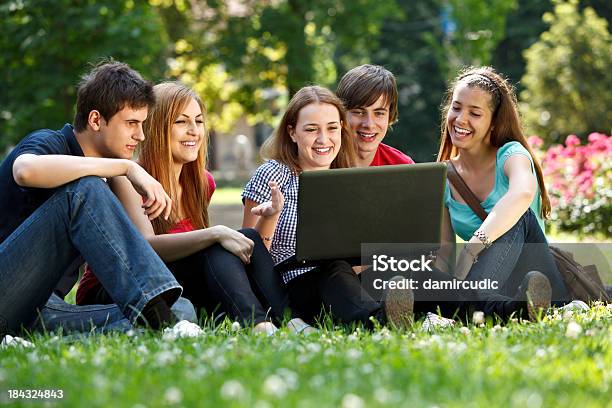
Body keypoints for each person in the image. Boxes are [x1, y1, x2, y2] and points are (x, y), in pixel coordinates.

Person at [76, 81, 293, 334]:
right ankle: (257, 324)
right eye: (181, 122)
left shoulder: (202, 182)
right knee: (216, 242)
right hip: (121, 291)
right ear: (157, 127)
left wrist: (224, 234)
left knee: (246, 237)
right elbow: (145, 247)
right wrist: (215, 234)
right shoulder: (127, 178)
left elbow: (200, 255)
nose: (194, 131)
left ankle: (289, 320)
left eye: (199, 121)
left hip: (175, 287)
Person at [0, 60, 196, 339]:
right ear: (95, 120)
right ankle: (161, 322)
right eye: (131, 123)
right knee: (84, 190)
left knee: (180, 310)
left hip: (38, 309)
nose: (140, 136)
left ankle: (27, 340)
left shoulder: (104, 173)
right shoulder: (50, 142)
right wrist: (127, 168)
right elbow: (25, 170)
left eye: (142, 124)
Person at [242, 85, 414, 328]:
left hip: (343, 283)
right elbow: (250, 257)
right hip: (289, 290)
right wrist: (271, 216)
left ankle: (479, 308)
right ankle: (378, 322)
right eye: (312, 130)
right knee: (332, 266)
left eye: (332, 128)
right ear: (292, 132)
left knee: (397, 270)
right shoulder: (273, 175)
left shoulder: (346, 178)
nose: (324, 139)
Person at [435, 66, 569, 304]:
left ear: (494, 122)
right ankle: (470, 303)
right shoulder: (445, 177)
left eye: (475, 113)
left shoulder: (511, 155)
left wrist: (471, 249)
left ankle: (469, 302)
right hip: (491, 283)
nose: (461, 119)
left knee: (517, 215)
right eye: (456, 108)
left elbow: (522, 193)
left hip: (538, 277)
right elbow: (445, 253)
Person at [336, 64, 414, 167]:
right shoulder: (319, 163)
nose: (369, 124)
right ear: (341, 115)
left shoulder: (404, 167)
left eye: (379, 113)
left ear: (389, 117)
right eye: (359, 112)